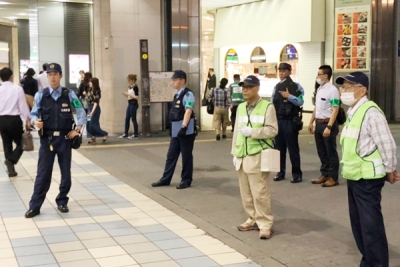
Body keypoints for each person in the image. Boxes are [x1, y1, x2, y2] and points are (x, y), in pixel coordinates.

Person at [335, 72, 400, 267]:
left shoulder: (371, 112)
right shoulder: (354, 111)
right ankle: (369, 261)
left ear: (362, 90)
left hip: (367, 179)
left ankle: (377, 264)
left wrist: (391, 169)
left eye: (348, 87)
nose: (343, 91)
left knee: (371, 227)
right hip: (354, 176)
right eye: (343, 87)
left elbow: (387, 144)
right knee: (359, 226)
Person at [25, 63, 86, 218]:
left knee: (66, 173)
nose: (52, 77)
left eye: (55, 74)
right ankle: (35, 206)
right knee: (43, 174)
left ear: (60, 75)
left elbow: (81, 111)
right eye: (50, 74)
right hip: (47, 140)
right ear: (47, 76)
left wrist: (78, 130)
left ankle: (62, 201)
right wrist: (35, 122)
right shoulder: (41, 95)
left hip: (65, 139)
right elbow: (33, 114)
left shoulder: (69, 94)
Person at [231, 75, 278, 239]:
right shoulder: (241, 107)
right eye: (243, 87)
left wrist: (253, 132)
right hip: (242, 155)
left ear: (257, 88)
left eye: (249, 87)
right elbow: (237, 132)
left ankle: (265, 224)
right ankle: (252, 219)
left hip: (258, 155)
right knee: (246, 192)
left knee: (260, 192)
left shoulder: (267, 107)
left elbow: (272, 130)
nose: (245, 90)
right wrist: (234, 153)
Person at [151, 70, 196, 190]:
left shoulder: (188, 94)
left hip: (185, 130)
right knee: (171, 155)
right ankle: (166, 179)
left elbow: (188, 111)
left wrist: (184, 127)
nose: (172, 83)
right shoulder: (177, 94)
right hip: (176, 130)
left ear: (182, 81)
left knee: (186, 156)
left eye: (175, 80)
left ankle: (186, 180)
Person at [271, 63, 304, 183]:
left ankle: (297, 174)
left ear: (290, 72)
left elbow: (300, 101)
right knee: (279, 148)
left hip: (290, 121)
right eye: (280, 71)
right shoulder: (276, 86)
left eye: (284, 71)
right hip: (279, 120)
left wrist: (289, 96)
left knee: (293, 148)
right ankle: (280, 172)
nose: (281, 73)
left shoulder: (296, 86)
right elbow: (272, 102)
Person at [308, 65, 340, 187]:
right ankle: (325, 174)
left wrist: (329, 127)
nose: (317, 76)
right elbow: (317, 107)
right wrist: (311, 122)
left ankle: (333, 177)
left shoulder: (332, 90)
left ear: (325, 76)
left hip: (328, 124)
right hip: (319, 123)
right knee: (322, 151)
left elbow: (335, 109)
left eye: (319, 74)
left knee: (330, 152)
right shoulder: (320, 89)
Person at [0, 68, 30, 177]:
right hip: (14, 120)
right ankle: (11, 160)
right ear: (11, 77)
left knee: (6, 144)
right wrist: (27, 119)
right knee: (21, 143)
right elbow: (22, 105)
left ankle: (11, 169)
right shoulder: (17, 89)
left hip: (2, 120)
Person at [86, 77, 108, 144]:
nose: (89, 83)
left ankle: (104, 134)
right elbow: (89, 99)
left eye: (90, 82)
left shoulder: (97, 91)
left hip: (95, 108)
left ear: (94, 83)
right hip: (89, 107)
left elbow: (96, 102)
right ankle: (93, 137)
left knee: (93, 124)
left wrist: (92, 111)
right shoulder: (89, 90)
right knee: (88, 123)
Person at [119, 74, 139, 139]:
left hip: (134, 103)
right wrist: (126, 95)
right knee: (127, 118)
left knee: (133, 119)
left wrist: (128, 94)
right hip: (130, 103)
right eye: (129, 80)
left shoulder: (135, 87)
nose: (129, 82)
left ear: (133, 80)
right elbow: (129, 96)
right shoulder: (129, 87)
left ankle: (136, 134)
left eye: (130, 80)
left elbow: (137, 97)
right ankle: (126, 133)